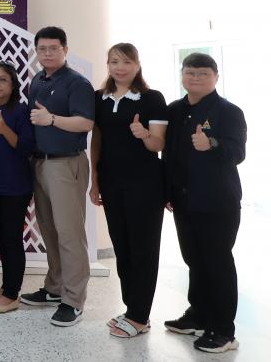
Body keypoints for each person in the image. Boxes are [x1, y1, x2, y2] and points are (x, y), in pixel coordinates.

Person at [163, 53, 246, 354]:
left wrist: (211, 144)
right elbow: (169, 153)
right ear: (182, 75)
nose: (195, 78)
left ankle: (224, 332)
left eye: (202, 73)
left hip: (217, 201)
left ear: (215, 77)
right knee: (194, 260)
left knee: (217, 263)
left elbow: (238, 152)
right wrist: (168, 191)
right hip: (184, 200)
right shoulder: (175, 110)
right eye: (190, 72)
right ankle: (197, 315)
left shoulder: (229, 112)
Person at [87, 44, 168, 338]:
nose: (119, 68)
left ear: (137, 64)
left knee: (143, 249)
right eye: (114, 62)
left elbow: (159, 143)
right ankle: (131, 308)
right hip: (111, 181)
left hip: (145, 184)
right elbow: (97, 139)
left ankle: (139, 316)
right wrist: (95, 179)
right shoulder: (100, 98)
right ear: (107, 65)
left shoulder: (152, 98)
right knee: (122, 247)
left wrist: (144, 134)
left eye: (126, 62)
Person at [20, 27, 95, 327]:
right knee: (49, 231)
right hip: (40, 163)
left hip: (66, 164)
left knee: (69, 234)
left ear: (65, 49)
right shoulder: (38, 80)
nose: (47, 53)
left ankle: (74, 300)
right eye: (42, 49)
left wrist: (51, 119)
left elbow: (85, 123)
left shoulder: (77, 83)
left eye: (54, 48)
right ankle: (54, 288)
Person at [0, 62, 34, 313]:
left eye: (3, 80)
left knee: (12, 239)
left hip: (16, 186)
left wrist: (3, 130)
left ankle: (12, 294)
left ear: (13, 84)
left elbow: (26, 147)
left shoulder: (20, 111)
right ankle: (5, 286)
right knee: (2, 238)